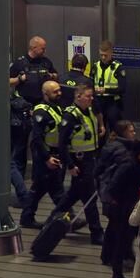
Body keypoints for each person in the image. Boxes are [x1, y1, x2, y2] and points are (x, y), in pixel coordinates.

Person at [48, 84, 105, 245]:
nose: (91, 98)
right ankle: (97, 232)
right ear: (78, 96)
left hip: (90, 159)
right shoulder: (70, 116)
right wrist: (71, 165)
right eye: (88, 96)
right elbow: (62, 144)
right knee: (89, 197)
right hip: (79, 162)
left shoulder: (89, 112)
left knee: (71, 196)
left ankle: (52, 220)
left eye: (92, 96)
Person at [9, 36, 58, 194]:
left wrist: (52, 77)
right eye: (42, 48)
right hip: (23, 110)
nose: (44, 51)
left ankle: (40, 178)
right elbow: (7, 80)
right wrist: (19, 79)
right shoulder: (20, 63)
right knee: (21, 147)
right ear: (33, 48)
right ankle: (20, 184)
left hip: (42, 109)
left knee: (39, 144)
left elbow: (55, 74)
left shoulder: (46, 62)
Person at [19, 80, 67, 229]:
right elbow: (37, 139)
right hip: (44, 157)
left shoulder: (57, 108)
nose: (59, 93)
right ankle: (68, 215)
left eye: (59, 90)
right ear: (45, 94)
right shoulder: (41, 112)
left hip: (54, 155)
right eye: (55, 92)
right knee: (49, 189)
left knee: (44, 189)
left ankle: (27, 217)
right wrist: (46, 158)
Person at [105, 139, 140, 278]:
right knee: (122, 241)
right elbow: (113, 187)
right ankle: (117, 274)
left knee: (127, 239)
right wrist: (123, 202)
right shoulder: (128, 166)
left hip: (133, 207)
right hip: (123, 210)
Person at [96, 120, 137, 266]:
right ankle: (118, 255)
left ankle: (112, 255)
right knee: (119, 225)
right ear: (124, 133)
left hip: (108, 192)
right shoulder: (122, 151)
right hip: (116, 194)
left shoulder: (113, 146)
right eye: (131, 131)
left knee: (115, 225)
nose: (134, 134)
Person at [91, 41, 127, 133]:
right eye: (101, 55)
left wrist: (105, 90)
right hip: (98, 102)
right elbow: (90, 83)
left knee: (114, 130)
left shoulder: (118, 67)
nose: (103, 57)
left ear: (111, 53)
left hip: (113, 103)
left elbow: (122, 88)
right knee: (99, 129)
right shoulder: (95, 66)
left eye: (106, 55)